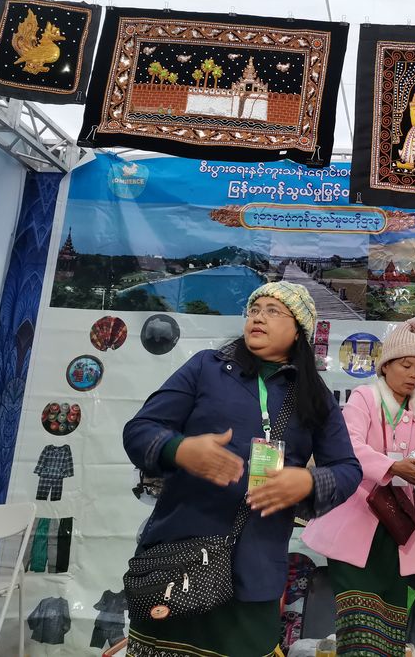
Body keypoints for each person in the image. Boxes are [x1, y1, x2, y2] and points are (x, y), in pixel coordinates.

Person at [123, 281, 362, 657]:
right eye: (254, 309)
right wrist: (179, 449)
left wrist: (308, 481)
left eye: (273, 311)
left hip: (255, 573)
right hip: (178, 559)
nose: (258, 317)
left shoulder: (314, 396)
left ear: (298, 331)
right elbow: (139, 430)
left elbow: (348, 469)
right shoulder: (206, 368)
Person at [303, 317, 415, 657]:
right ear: (386, 366)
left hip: (396, 532)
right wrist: (392, 466)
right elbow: (347, 446)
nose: (413, 374)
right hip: (356, 525)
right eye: (405, 365)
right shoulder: (365, 398)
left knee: (390, 634)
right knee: (359, 632)